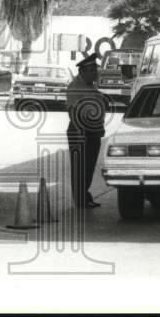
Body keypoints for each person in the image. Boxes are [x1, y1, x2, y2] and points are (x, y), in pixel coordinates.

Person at [66, 52, 110, 209]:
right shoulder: (75, 87)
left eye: (95, 70)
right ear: (83, 71)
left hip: (93, 132)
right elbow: (73, 112)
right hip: (80, 131)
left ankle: (84, 195)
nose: (95, 73)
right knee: (80, 167)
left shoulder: (91, 85)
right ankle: (80, 200)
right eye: (92, 71)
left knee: (89, 166)